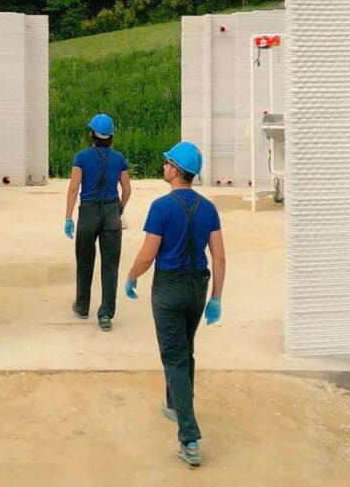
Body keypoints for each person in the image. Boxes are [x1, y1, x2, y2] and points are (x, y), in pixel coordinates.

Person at [123, 141, 225, 468]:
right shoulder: (209, 208)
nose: (163, 166)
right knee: (185, 349)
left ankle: (190, 437)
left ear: (176, 170)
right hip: (198, 287)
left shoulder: (161, 207)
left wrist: (131, 276)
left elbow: (148, 254)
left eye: (167, 162)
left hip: (168, 288)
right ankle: (174, 402)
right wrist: (216, 297)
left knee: (175, 357)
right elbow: (219, 256)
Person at [64, 113, 132, 332]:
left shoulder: (81, 158)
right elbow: (127, 190)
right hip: (112, 211)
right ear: (111, 136)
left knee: (85, 261)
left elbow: (74, 189)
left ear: (92, 134)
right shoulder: (119, 159)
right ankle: (105, 315)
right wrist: (119, 208)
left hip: (89, 213)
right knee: (110, 265)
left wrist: (68, 217)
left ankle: (82, 306)